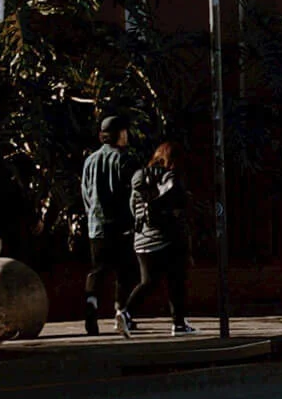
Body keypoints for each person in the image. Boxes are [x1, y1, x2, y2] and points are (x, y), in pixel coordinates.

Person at [80, 116, 141, 337]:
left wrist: (91, 215)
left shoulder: (90, 160)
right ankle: (121, 311)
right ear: (119, 134)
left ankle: (92, 302)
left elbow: (85, 192)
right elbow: (134, 193)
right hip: (121, 225)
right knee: (126, 271)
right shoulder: (125, 160)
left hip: (96, 225)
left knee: (98, 270)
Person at [127, 141, 195, 335]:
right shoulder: (171, 177)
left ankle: (125, 313)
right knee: (176, 280)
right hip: (166, 239)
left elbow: (133, 209)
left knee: (148, 282)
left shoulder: (139, 178)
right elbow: (180, 209)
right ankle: (179, 324)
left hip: (142, 241)